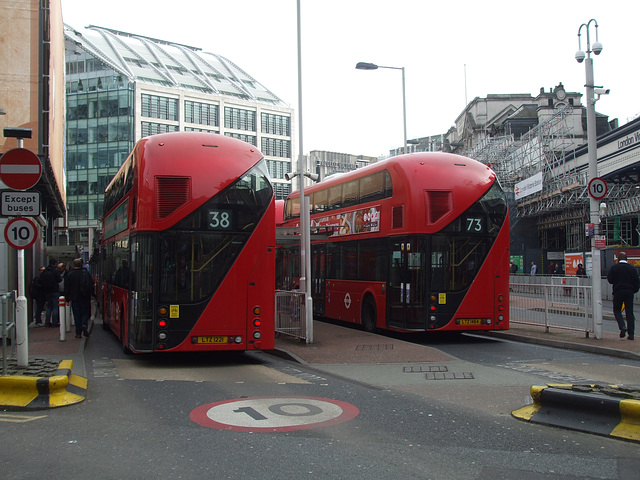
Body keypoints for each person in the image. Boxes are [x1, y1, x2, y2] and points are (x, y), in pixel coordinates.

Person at [607, 251, 639, 340]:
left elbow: (610, 280)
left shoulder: (614, 268)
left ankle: (622, 326)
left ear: (618, 259)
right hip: (629, 292)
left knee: (617, 310)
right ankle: (631, 334)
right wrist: (634, 290)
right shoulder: (632, 269)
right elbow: (637, 281)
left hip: (618, 291)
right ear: (626, 259)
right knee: (629, 312)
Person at [64, 258, 94, 338]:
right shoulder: (86, 273)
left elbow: (67, 287)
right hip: (84, 297)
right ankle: (84, 324)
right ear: (81, 264)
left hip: (74, 298)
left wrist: (67, 299)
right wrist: (92, 295)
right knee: (85, 312)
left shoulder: (70, 274)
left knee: (76, 315)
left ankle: (78, 332)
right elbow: (91, 284)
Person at [40, 258, 62, 327]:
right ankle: (55, 322)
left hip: (47, 291)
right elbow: (59, 279)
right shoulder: (55, 271)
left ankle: (47, 322)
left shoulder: (45, 271)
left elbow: (41, 280)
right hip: (55, 290)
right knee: (55, 306)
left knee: (49, 306)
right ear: (54, 263)